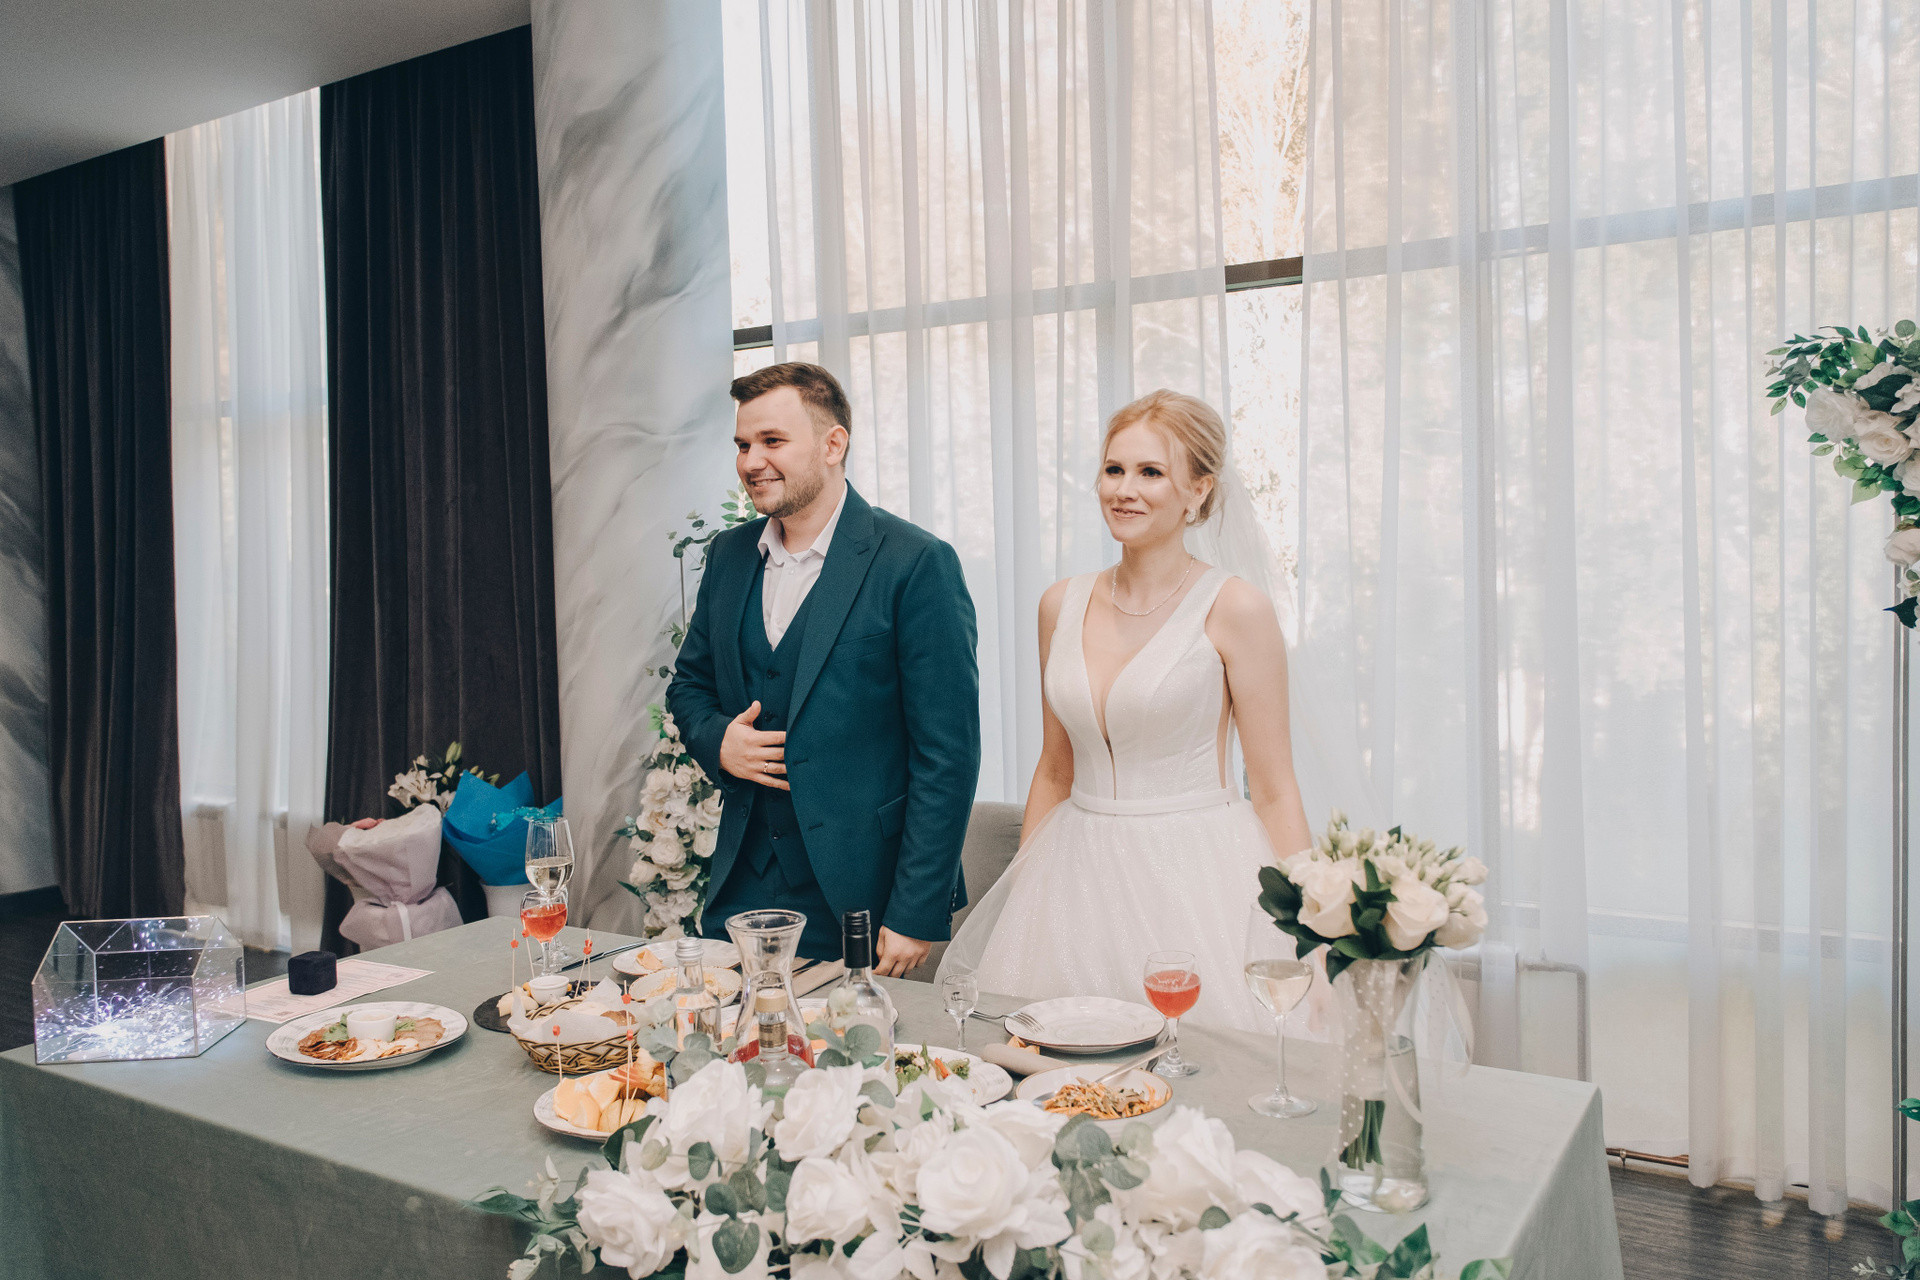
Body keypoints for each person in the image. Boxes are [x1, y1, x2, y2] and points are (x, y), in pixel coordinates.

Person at [941, 389, 1332, 1032]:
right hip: (1072, 873)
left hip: (1197, 870)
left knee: (1197, 1059)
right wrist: (1020, 895)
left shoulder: (1236, 608)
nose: (1124, 490)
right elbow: (1055, 770)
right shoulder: (1059, 604)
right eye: (1114, 469)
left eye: (1151, 472)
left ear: (1198, 490)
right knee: (1052, 1059)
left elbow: (1274, 788)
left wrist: (1309, 934)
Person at [668, 362, 981, 969]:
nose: (751, 461)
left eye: (772, 441)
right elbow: (690, 684)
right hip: (740, 888)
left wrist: (915, 911)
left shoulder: (916, 562)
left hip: (861, 896)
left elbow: (948, 754)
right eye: (742, 445)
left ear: (833, 444)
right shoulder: (729, 555)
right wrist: (719, 741)